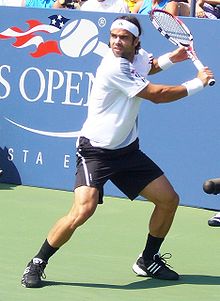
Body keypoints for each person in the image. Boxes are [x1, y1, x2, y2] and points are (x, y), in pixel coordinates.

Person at [21, 15, 214, 288]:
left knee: (169, 200)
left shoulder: (138, 56)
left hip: (127, 150)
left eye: (123, 37)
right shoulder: (113, 67)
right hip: (95, 152)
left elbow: (149, 66)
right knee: (83, 210)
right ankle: (37, 262)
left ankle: (148, 259)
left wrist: (173, 57)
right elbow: (156, 94)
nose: (116, 41)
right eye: (113, 36)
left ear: (136, 42)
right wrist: (198, 84)